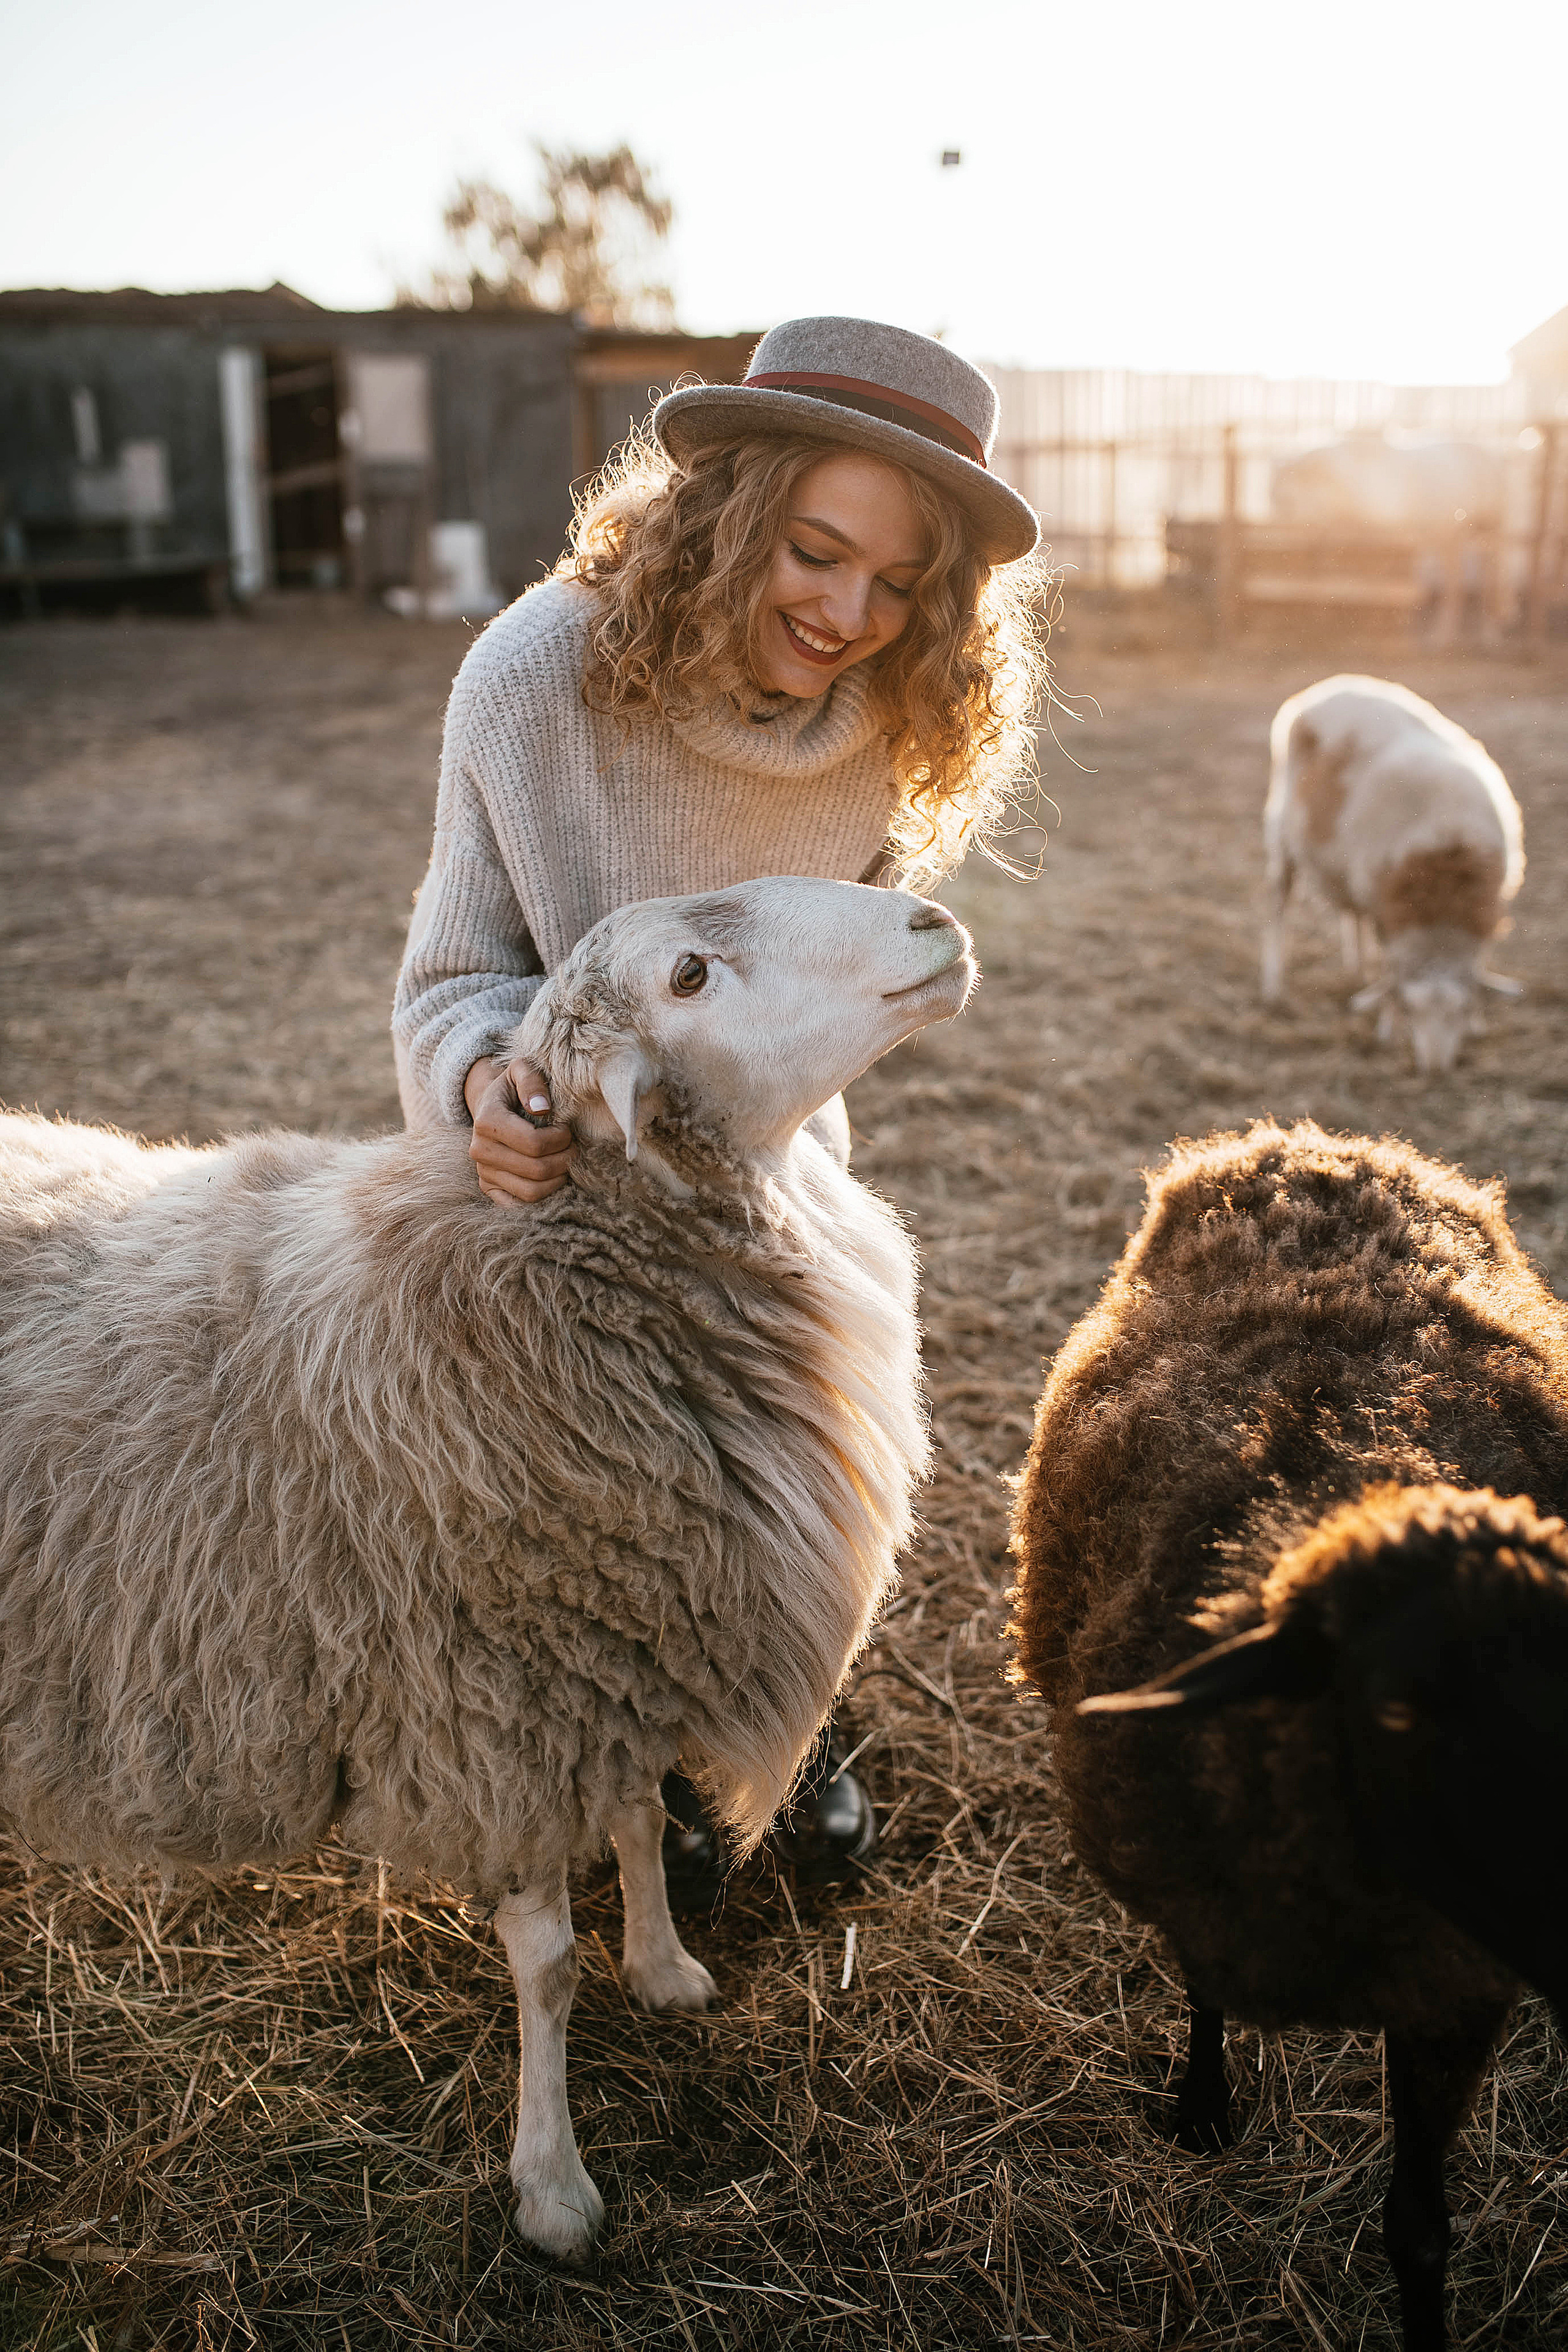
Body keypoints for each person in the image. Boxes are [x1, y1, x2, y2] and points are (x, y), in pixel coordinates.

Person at [392, 314, 1044, 1901]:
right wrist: (489, 1086)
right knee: (574, 1455)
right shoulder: (534, 682)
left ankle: (779, 1717)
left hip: (766, 1174)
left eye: (901, 586)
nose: (849, 613)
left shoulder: (889, 722)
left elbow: (820, 979)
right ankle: (610, 1745)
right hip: (565, 1171)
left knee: (801, 1424)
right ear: (730, 513)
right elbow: (455, 977)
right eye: (815, 553)